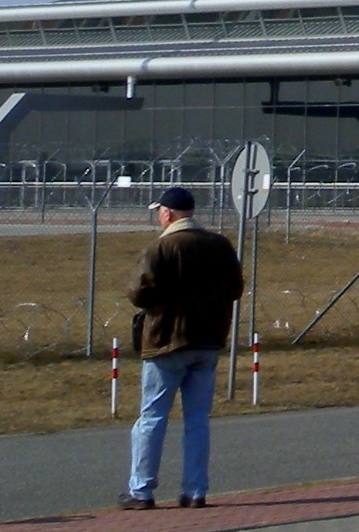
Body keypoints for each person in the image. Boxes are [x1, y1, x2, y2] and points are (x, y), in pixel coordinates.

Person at [123, 186, 244, 510]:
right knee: (197, 420)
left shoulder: (160, 247)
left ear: (167, 213)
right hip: (207, 341)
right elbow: (235, 288)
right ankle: (195, 490)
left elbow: (138, 292)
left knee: (152, 417)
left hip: (166, 342)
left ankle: (142, 489)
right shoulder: (220, 245)